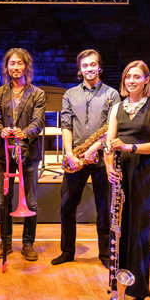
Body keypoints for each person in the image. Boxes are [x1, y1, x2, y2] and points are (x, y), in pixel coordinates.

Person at [105, 61, 150, 300]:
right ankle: (118, 286)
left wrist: (128, 147)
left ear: (146, 81)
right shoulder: (117, 107)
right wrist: (109, 165)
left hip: (142, 172)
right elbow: (109, 142)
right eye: (128, 76)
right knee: (119, 229)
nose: (131, 81)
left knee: (139, 230)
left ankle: (141, 289)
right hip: (120, 172)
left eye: (137, 77)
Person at [52, 49, 120, 266]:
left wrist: (97, 147)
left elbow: (113, 128)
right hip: (77, 159)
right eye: (84, 66)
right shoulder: (69, 94)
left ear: (99, 67)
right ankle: (67, 251)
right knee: (67, 206)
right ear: (79, 69)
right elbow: (66, 125)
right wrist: (70, 154)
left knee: (104, 210)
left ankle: (105, 255)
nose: (89, 69)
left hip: (102, 160)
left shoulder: (112, 94)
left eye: (93, 65)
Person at [0, 48, 45, 262]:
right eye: (12, 63)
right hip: (4, 154)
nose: (15, 67)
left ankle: (28, 244)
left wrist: (26, 132)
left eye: (19, 63)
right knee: (5, 201)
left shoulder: (37, 94)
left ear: (26, 66)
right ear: (6, 67)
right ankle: (6, 242)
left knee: (31, 203)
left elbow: (38, 121)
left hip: (28, 154)